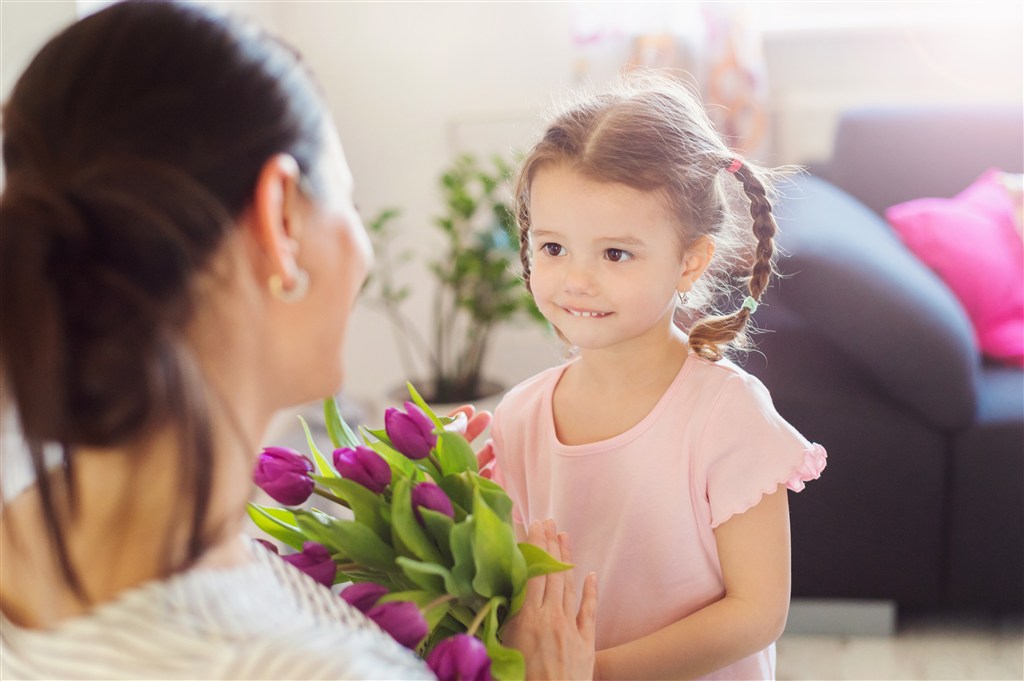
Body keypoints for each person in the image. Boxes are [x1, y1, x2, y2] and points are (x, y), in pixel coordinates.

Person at [0, 2, 595, 678]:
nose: (363, 249)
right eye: (350, 202)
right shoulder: (307, 666)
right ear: (281, 217)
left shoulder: (30, 516)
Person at [487, 73, 828, 680]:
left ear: (690, 261)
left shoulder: (728, 415)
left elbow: (756, 612)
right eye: (553, 247)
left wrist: (594, 671)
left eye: (615, 253)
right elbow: (514, 593)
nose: (576, 280)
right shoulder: (517, 417)